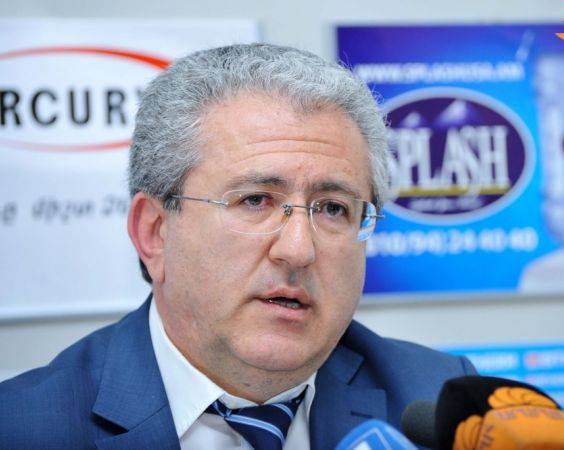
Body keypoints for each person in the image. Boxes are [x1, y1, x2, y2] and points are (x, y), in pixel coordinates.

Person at [0, 43, 476, 449]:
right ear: (155, 232)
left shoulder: (443, 404)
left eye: (333, 208)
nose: (298, 250)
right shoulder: (23, 429)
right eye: (255, 201)